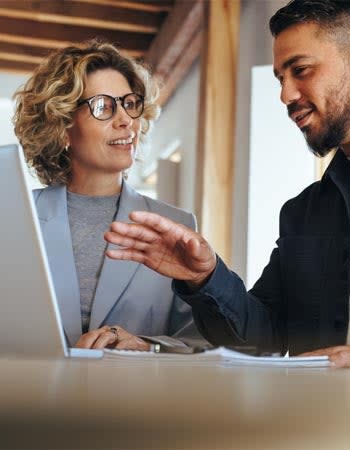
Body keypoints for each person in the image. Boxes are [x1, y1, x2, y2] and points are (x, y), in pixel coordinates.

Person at [104, 0, 350, 367]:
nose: (286, 95)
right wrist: (205, 277)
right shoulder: (303, 213)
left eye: (301, 70)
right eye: (281, 78)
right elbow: (262, 340)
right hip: (309, 422)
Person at [13, 38, 208, 351]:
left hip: (133, 399)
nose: (125, 121)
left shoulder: (175, 224)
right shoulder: (14, 220)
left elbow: (202, 341)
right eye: (103, 107)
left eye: (129, 104)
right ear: (62, 127)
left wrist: (148, 347)